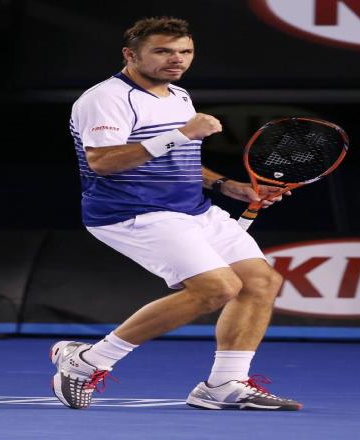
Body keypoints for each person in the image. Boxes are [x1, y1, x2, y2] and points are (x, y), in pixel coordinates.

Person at [51, 16, 302, 411]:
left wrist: (226, 185)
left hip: (193, 210)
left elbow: (176, 159)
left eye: (185, 51)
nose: (177, 59)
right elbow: (102, 162)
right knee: (216, 289)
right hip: (133, 212)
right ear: (130, 54)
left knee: (260, 282)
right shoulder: (105, 98)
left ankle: (224, 384)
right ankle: (87, 363)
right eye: (163, 51)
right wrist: (182, 133)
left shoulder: (179, 96)